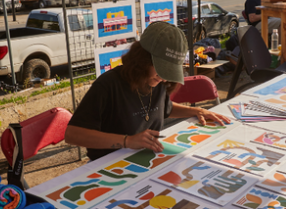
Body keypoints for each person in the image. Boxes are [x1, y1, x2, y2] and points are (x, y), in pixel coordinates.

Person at [64, 22, 230, 162]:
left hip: (145, 163)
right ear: (141, 59)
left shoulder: (156, 82)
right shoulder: (108, 85)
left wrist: (196, 111)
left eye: (169, 71)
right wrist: (127, 141)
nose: (164, 78)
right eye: (161, 69)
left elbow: (163, 108)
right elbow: (73, 134)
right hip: (108, 167)